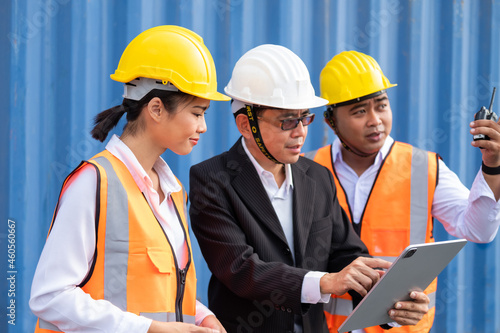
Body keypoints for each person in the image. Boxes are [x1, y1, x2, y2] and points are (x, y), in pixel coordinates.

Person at [188, 44, 430, 333]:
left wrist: (389, 298)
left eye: (305, 117)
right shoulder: (211, 180)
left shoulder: (317, 177)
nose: (300, 131)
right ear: (245, 124)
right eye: (287, 121)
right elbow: (241, 270)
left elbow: (345, 254)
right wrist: (325, 282)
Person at [29, 25, 230, 333]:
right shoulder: (95, 183)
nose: (203, 127)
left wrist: (201, 316)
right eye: (197, 112)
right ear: (156, 109)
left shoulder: (174, 192)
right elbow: (50, 296)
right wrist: (149, 329)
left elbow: (161, 291)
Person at [304, 50, 500, 333]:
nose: (375, 120)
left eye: (381, 105)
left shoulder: (425, 168)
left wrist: (492, 167)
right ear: (330, 121)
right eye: (359, 111)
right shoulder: (305, 170)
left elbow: (479, 230)